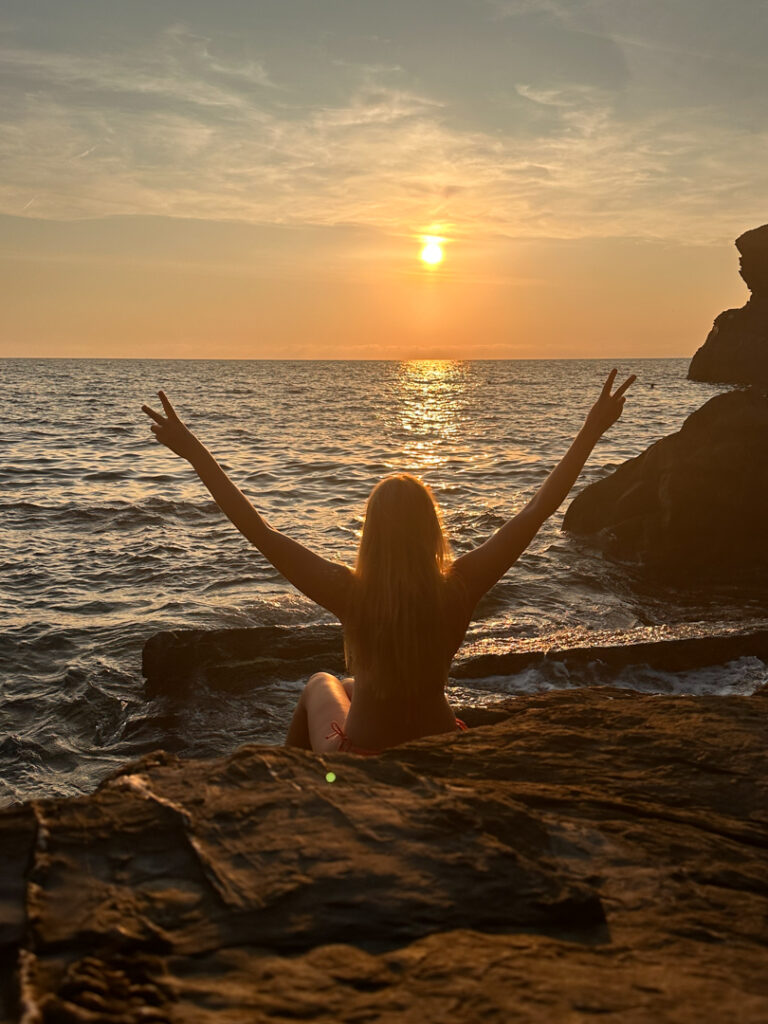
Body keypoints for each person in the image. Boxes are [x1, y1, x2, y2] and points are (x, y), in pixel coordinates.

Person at [141, 368, 635, 755]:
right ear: (430, 532)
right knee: (355, 682)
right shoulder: (460, 586)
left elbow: (260, 531)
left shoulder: (351, 593)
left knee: (322, 683)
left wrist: (193, 452)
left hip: (363, 753)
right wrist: (592, 430)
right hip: (442, 744)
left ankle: (298, 788)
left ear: (371, 535)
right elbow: (536, 510)